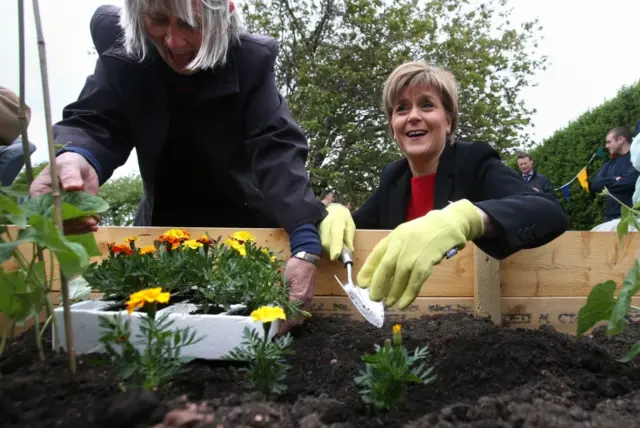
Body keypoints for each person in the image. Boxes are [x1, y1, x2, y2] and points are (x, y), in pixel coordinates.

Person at [27, 1, 338, 333]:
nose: (173, 41)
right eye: (159, 20)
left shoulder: (249, 60)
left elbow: (276, 148)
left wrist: (305, 243)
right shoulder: (122, 47)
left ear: (226, 12)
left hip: (245, 229)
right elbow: (96, 119)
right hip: (161, 225)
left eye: (192, 25)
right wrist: (77, 155)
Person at [319, 61, 568, 310]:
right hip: (401, 321)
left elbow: (548, 211)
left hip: (471, 320)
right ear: (392, 127)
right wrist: (335, 212)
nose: (413, 116)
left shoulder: (473, 161)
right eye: (401, 108)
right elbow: (358, 226)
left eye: (426, 105)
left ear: (448, 121)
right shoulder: (393, 178)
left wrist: (465, 219)